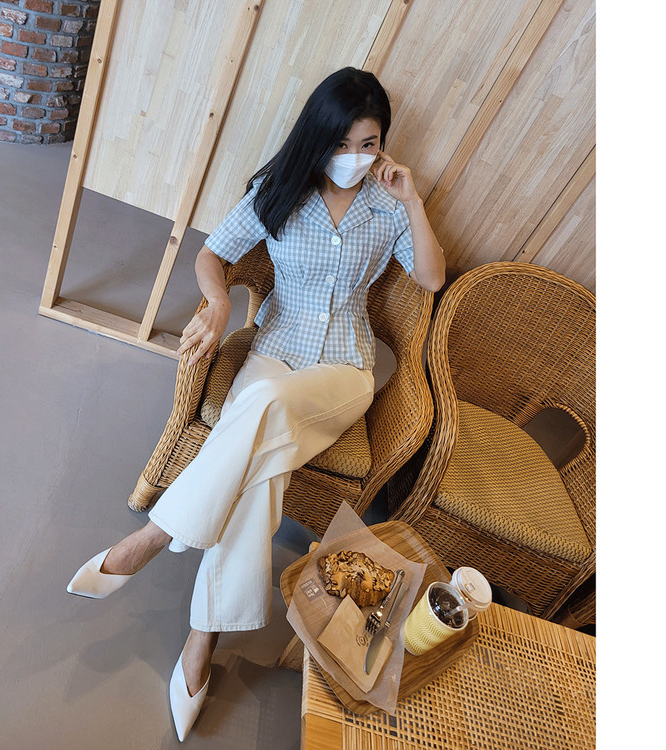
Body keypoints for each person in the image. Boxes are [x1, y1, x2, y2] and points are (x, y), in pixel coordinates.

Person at [66, 67, 445, 741]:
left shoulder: (387, 205)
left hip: (342, 372)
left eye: (370, 143)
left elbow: (432, 276)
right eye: (345, 142)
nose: (357, 156)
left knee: (262, 405)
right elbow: (213, 255)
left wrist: (413, 201)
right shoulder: (279, 190)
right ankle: (201, 642)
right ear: (319, 136)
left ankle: (157, 534)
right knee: (261, 465)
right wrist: (217, 302)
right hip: (274, 351)